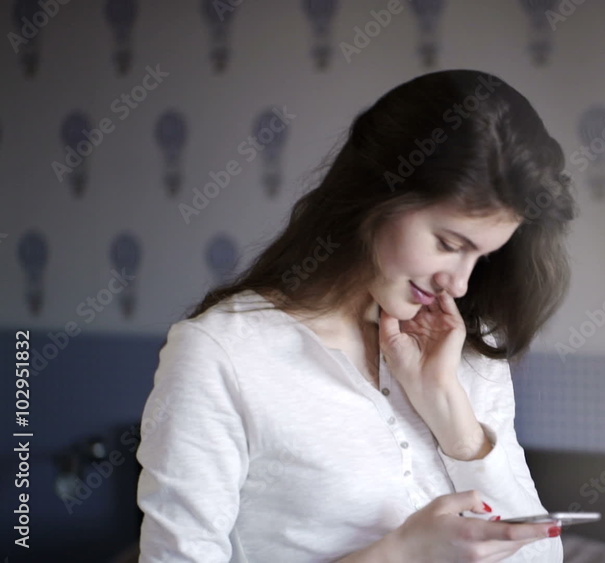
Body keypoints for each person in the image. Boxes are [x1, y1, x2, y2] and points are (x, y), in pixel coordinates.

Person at [135, 69, 578, 562]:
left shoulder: (465, 348)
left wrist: (453, 417)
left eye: (482, 257)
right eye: (449, 244)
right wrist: (401, 554)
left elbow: (537, 558)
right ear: (379, 194)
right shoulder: (224, 354)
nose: (459, 283)